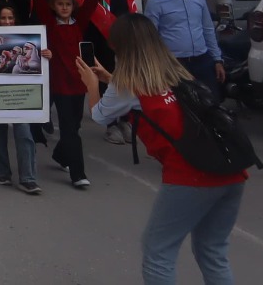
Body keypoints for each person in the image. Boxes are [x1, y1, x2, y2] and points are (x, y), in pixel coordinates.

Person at [82, 14, 248, 284]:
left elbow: (100, 115)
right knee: (212, 250)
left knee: (157, 251)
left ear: (119, 46)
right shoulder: (176, 73)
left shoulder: (127, 83)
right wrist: (110, 79)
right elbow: (146, 94)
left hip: (191, 175)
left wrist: (92, 84)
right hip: (231, 169)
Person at [33, 0, 104, 189]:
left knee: (75, 126)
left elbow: (92, 1)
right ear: (53, 6)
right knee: (69, 129)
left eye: (68, 4)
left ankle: (60, 155)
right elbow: (38, 0)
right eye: (60, 4)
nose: (64, 8)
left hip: (78, 84)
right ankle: (78, 174)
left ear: (73, 7)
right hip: (60, 85)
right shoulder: (50, 25)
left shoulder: (79, 24)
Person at [0, 1, 46, 194]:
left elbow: (37, 66)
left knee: (24, 134)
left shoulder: (29, 38)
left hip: (21, 95)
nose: (7, 22)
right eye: (3, 18)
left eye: (10, 18)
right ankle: (1, 172)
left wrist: (45, 54)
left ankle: (28, 178)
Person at [144, 0, 224, 99]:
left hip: (203, 61)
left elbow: (207, 30)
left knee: (212, 103)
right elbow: (150, 39)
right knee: (183, 109)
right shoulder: (155, 1)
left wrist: (217, 60)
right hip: (175, 65)